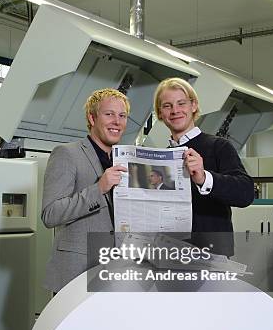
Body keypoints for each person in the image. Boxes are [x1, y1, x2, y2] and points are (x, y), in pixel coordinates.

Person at [153, 77, 254, 256]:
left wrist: (204, 178)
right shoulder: (161, 158)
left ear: (193, 106)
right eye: (167, 106)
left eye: (181, 103)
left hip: (211, 255)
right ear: (160, 113)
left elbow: (245, 193)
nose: (175, 110)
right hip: (172, 254)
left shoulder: (219, 146)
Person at [42, 88, 129, 293]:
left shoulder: (124, 160)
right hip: (77, 273)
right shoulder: (66, 154)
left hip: (114, 271)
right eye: (109, 114)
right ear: (92, 118)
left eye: (122, 116)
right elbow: (50, 214)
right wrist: (98, 189)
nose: (117, 121)